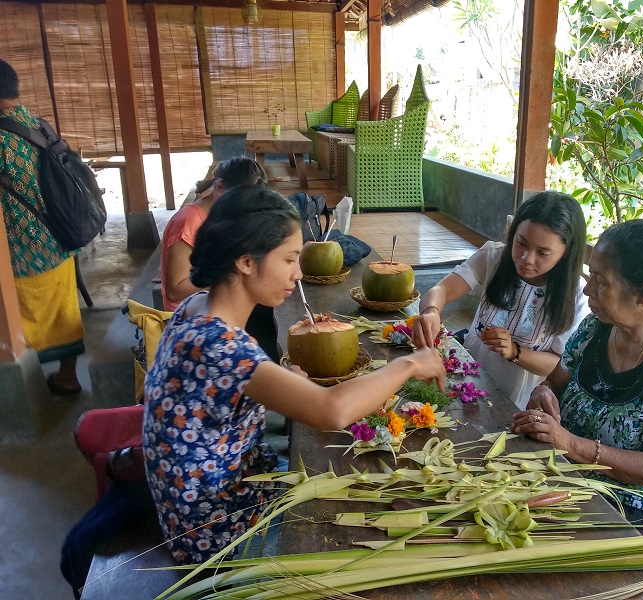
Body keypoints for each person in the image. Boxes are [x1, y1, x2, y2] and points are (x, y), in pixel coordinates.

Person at [143, 185, 446, 564]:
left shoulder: (195, 308)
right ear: (246, 261)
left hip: (213, 497)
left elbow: (222, 393)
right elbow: (330, 410)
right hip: (219, 531)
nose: (298, 273)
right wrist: (411, 363)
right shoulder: (221, 344)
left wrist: (280, 376)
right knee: (382, 528)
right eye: (288, 259)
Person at [511, 210, 643, 530]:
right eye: (590, 273)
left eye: (602, 281)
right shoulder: (597, 326)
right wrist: (544, 393)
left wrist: (571, 444)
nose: (587, 289)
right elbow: (555, 382)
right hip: (580, 478)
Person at [411, 191, 589, 409]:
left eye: (543, 253)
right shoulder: (493, 257)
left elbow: (560, 365)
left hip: (517, 403)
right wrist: (431, 311)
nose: (526, 259)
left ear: (566, 253)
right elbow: (442, 290)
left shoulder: (577, 295)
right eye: (521, 243)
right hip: (467, 380)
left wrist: (516, 352)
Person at [0, 59, 84, 394]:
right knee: (64, 314)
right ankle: (68, 375)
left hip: (20, 251)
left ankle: (22, 389)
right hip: (59, 237)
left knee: (21, 321)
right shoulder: (40, 126)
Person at [160, 156, 280, 360]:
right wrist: (229, 273)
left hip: (214, 301)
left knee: (266, 307)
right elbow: (174, 289)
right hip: (192, 315)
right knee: (260, 319)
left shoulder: (222, 215)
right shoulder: (189, 221)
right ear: (220, 187)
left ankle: (268, 371)